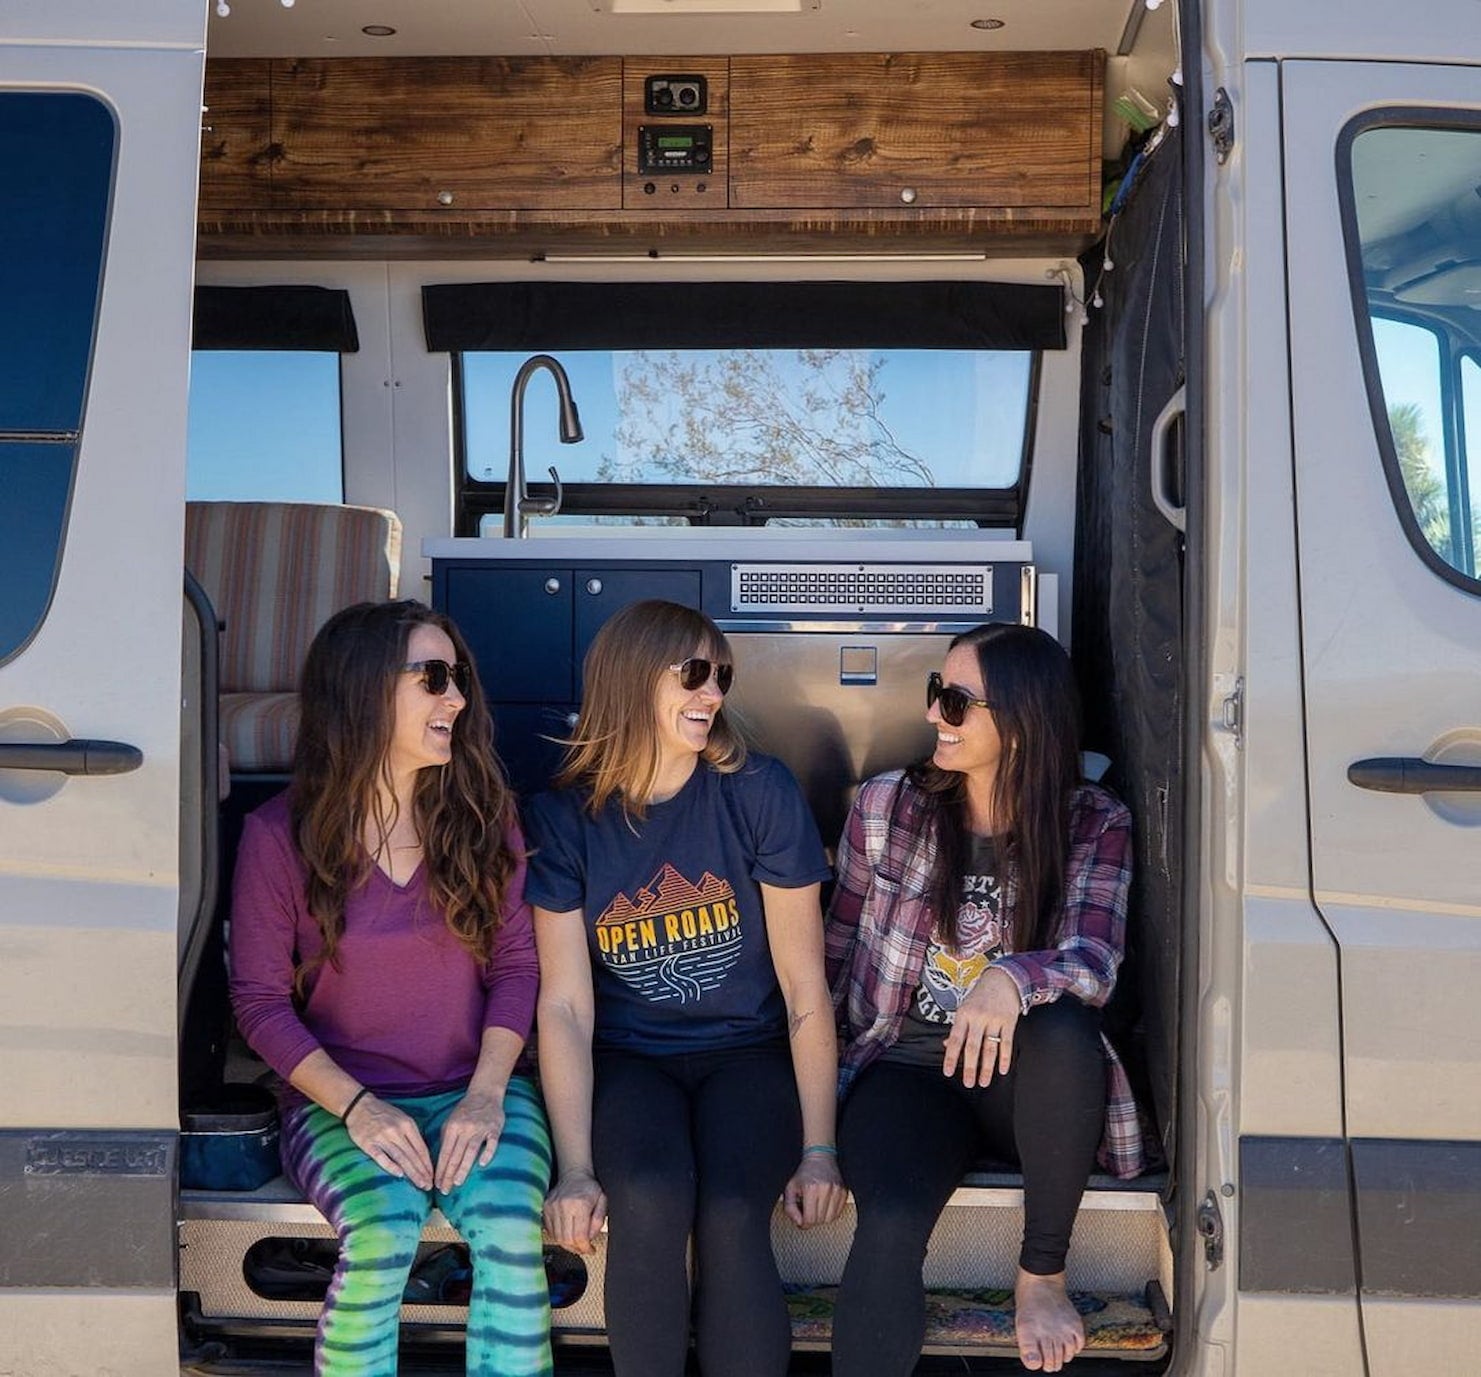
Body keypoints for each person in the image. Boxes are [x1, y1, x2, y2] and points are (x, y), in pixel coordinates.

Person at [229, 599, 552, 1377]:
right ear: (366, 689)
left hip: (476, 1089)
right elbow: (260, 1004)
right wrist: (358, 1106)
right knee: (380, 1232)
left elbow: (516, 968)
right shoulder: (279, 835)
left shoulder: (484, 816)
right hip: (342, 1101)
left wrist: (484, 1093)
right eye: (434, 678)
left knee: (511, 1229)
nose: (458, 698)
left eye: (460, 678)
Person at [524, 598, 847, 1377]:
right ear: (632, 679)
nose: (713, 693)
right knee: (648, 1194)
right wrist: (573, 1168)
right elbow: (565, 1006)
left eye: (721, 675)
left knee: (736, 1209)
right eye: (694, 674)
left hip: (748, 1051)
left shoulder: (758, 791)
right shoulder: (564, 818)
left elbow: (805, 986)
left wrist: (818, 1149)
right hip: (630, 1057)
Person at [825, 622, 1145, 1376]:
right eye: (937, 693)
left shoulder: (1092, 822)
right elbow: (833, 950)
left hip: (1022, 1084)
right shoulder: (887, 806)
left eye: (959, 701)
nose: (936, 714)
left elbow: (1094, 958)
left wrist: (1008, 977)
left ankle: (1040, 1276)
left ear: (1023, 721)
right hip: (904, 1066)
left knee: (1066, 1027)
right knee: (892, 1220)